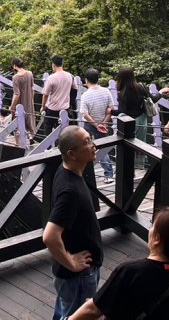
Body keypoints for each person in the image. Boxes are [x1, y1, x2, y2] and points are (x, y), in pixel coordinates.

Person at [67, 207, 169, 320]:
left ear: (157, 239)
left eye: (153, 225)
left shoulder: (131, 272)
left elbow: (93, 310)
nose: (150, 228)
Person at [43, 125, 103, 320]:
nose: (93, 145)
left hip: (74, 274)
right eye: (86, 142)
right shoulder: (70, 191)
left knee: (64, 312)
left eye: (90, 138)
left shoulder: (65, 170)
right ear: (72, 154)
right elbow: (50, 236)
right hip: (78, 276)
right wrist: (71, 263)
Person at [115, 66, 169, 149]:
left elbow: (121, 111)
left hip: (128, 124)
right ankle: (140, 161)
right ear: (133, 76)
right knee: (140, 146)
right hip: (141, 121)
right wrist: (160, 93)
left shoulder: (121, 92)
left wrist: (111, 111)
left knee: (128, 146)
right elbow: (153, 99)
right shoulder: (140, 87)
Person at [79, 68, 115, 180]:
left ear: (86, 80)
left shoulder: (86, 95)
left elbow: (85, 114)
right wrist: (103, 123)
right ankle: (109, 174)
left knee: (86, 147)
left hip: (90, 125)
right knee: (102, 148)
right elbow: (111, 109)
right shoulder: (106, 91)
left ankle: (85, 173)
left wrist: (96, 124)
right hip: (103, 124)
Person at [40, 55, 74, 138]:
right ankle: (61, 147)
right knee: (63, 131)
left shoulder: (51, 78)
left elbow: (45, 94)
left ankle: (47, 149)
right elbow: (74, 89)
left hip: (52, 108)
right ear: (62, 64)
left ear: (53, 65)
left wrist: (43, 107)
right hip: (64, 108)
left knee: (48, 128)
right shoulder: (70, 76)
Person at [8, 57, 37, 137]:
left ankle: (19, 143)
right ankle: (31, 137)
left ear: (14, 65)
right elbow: (32, 88)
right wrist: (31, 100)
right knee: (30, 121)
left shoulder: (15, 77)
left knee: (19, 121)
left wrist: (12, 106)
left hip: (20, 103)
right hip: (29, 102)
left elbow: (17, 94)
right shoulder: (30, 73)